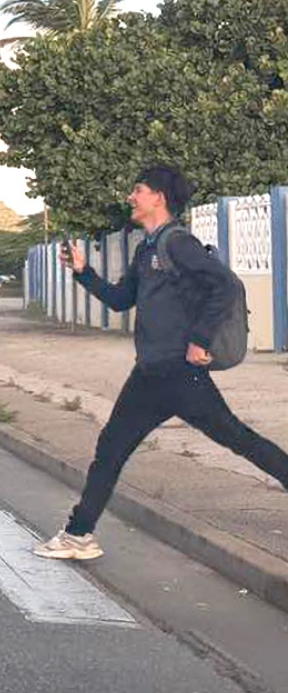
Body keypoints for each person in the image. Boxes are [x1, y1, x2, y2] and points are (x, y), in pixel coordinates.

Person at [34, 164, 288, 560]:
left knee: (238, 440)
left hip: (179, 373)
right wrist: (84, 272)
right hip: (151, 373)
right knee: (112, 448)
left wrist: (199, 340)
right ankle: (78, 534)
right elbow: (121, 300)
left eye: (138, 190)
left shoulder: (178, 244)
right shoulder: (146, 248)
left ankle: (78, 534)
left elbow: (225, 285)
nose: (131, 197)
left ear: (159, 197)